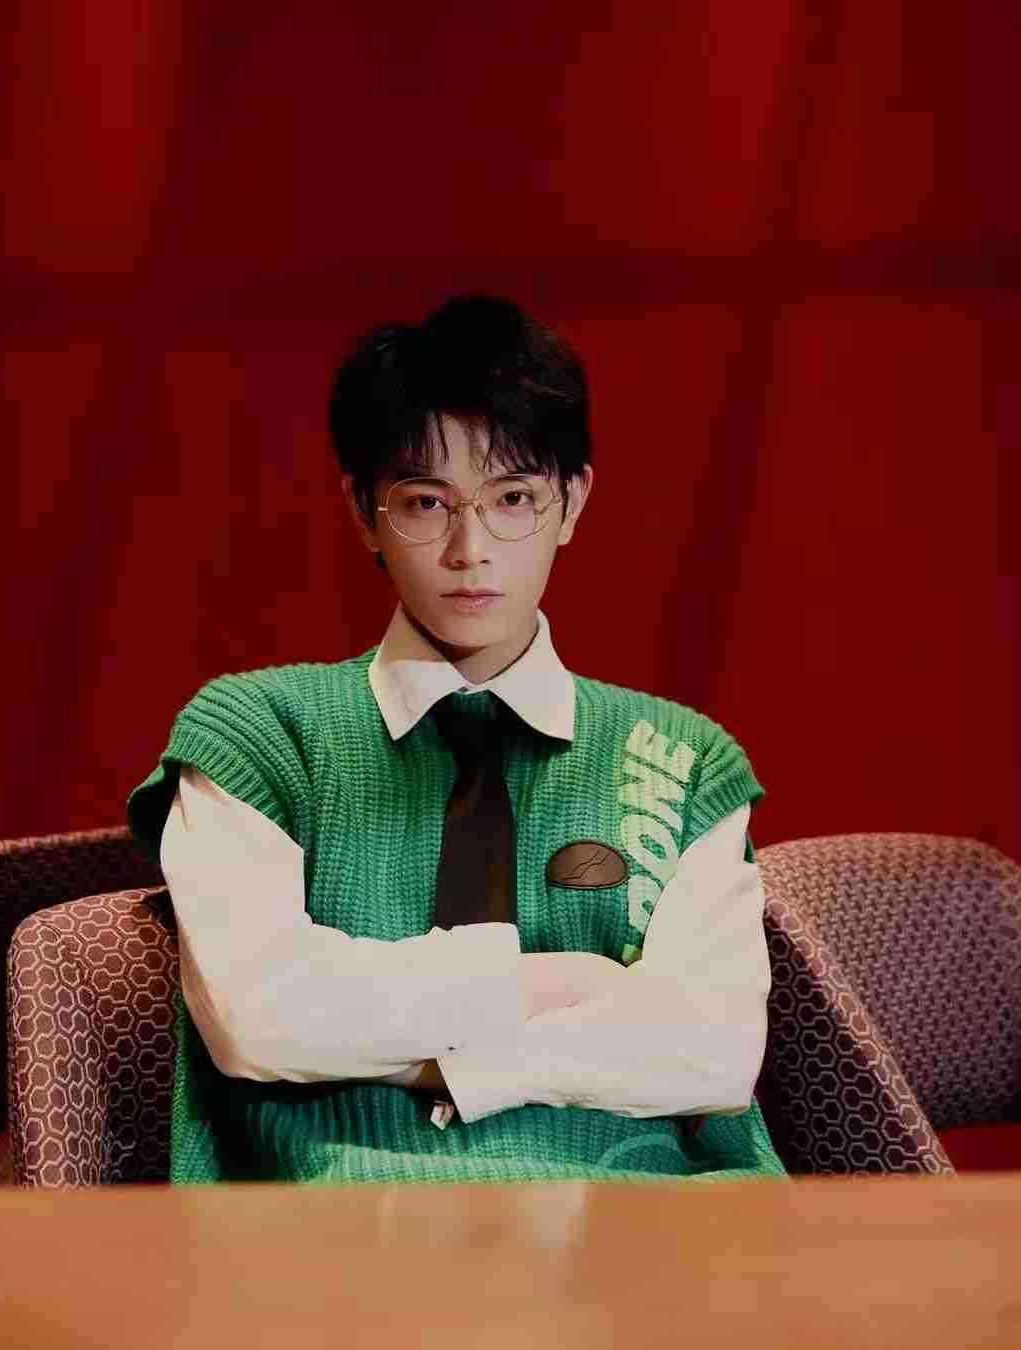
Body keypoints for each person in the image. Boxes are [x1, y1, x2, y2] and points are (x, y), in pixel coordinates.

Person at [127, 294, 787, 1185]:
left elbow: (714, 1055)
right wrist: (565, 985)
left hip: (648, 1231)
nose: (470, 548)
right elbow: (260, 1018)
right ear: (363, 512)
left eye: (513, 498)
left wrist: (451, 1062)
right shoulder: (257, 735)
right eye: (425, 502)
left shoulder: (686, 757)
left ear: (572, 503)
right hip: (346, 1230)